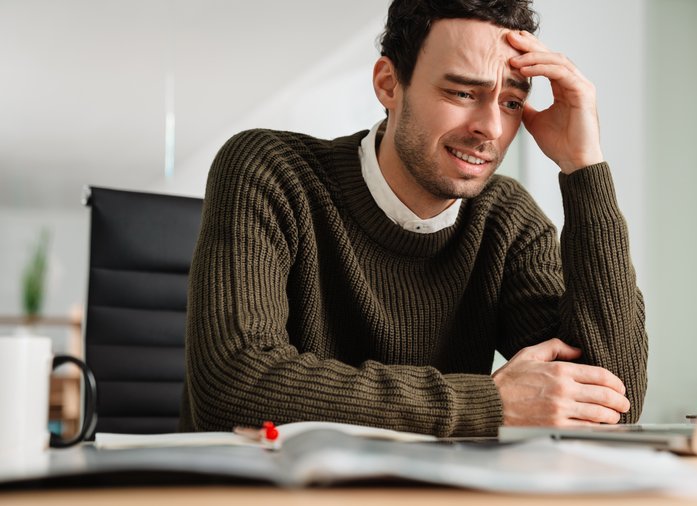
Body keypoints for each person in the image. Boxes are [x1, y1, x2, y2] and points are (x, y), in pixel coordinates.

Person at [179, 0, 648, 438]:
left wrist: (584, 168)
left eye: (510, 102)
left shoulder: (507, 219)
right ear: (389, 84)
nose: (491, 128)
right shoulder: (273, 171)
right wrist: (488, 404)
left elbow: (613, 402)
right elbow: (234, 387)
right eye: (463, 91)